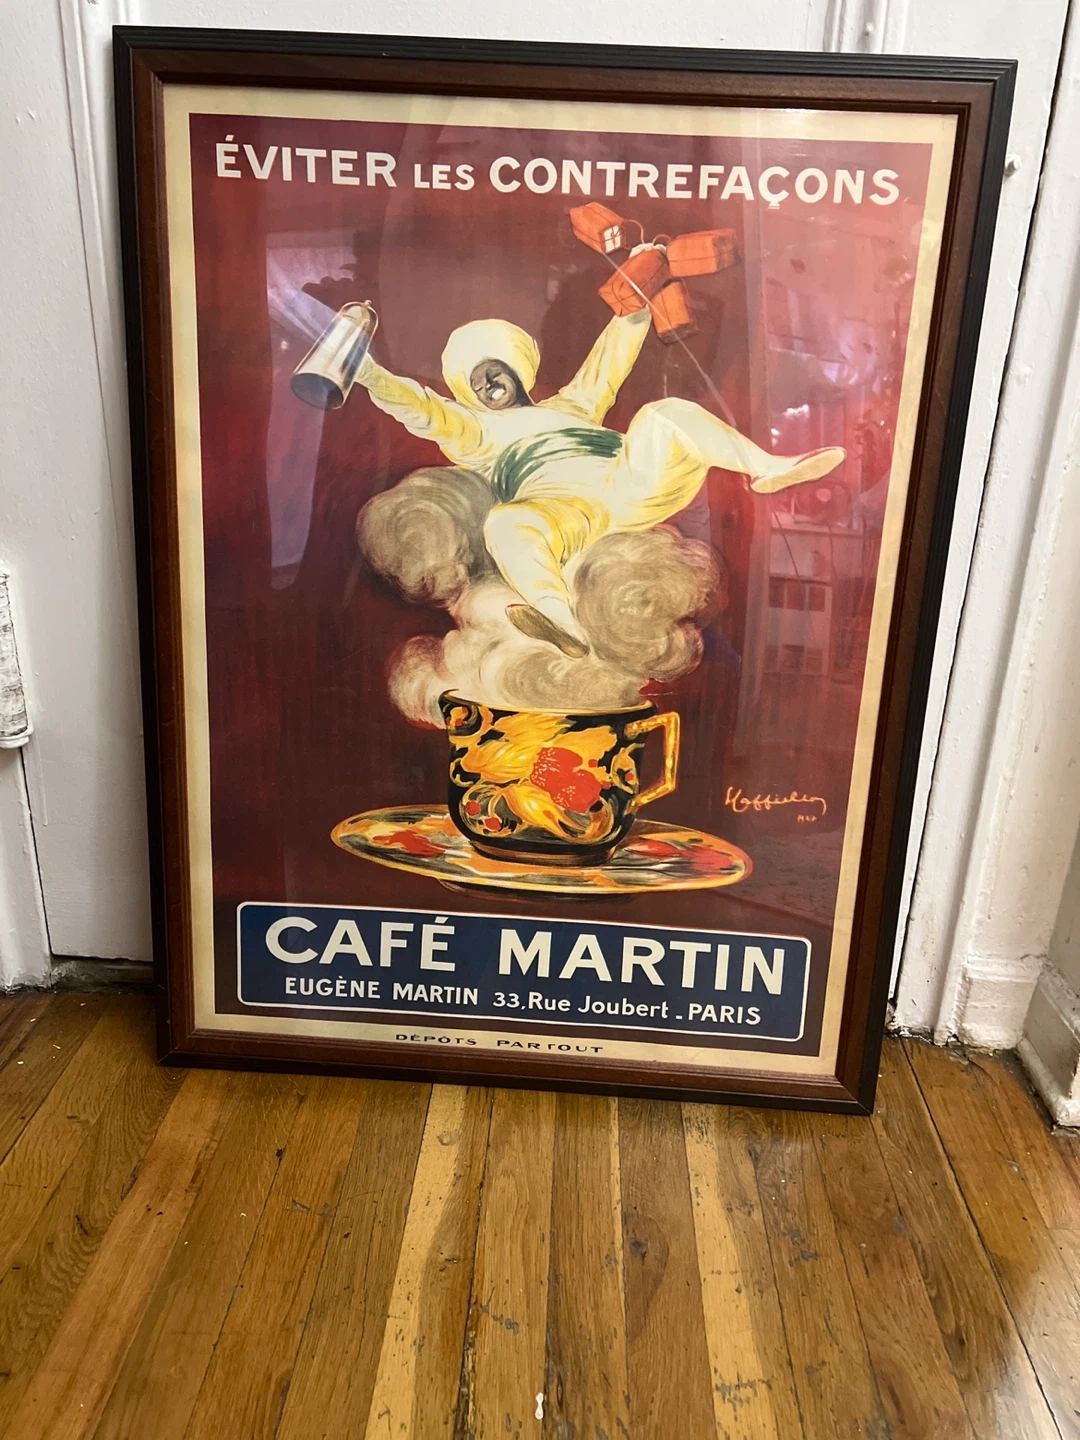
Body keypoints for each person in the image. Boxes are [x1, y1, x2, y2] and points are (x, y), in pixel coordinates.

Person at [355, 306, 844, 658]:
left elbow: (610, 359)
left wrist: (637, 298)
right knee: (506, 524)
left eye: (492, 371)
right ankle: (562, 620)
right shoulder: (474, 433)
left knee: (664, 414)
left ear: (514, 371)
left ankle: (766, 467)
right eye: (476, 384)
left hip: (627, 484)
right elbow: (420, 408)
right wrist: (368, 373)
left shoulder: (573, 405)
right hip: (562, 512)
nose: (487, 385)